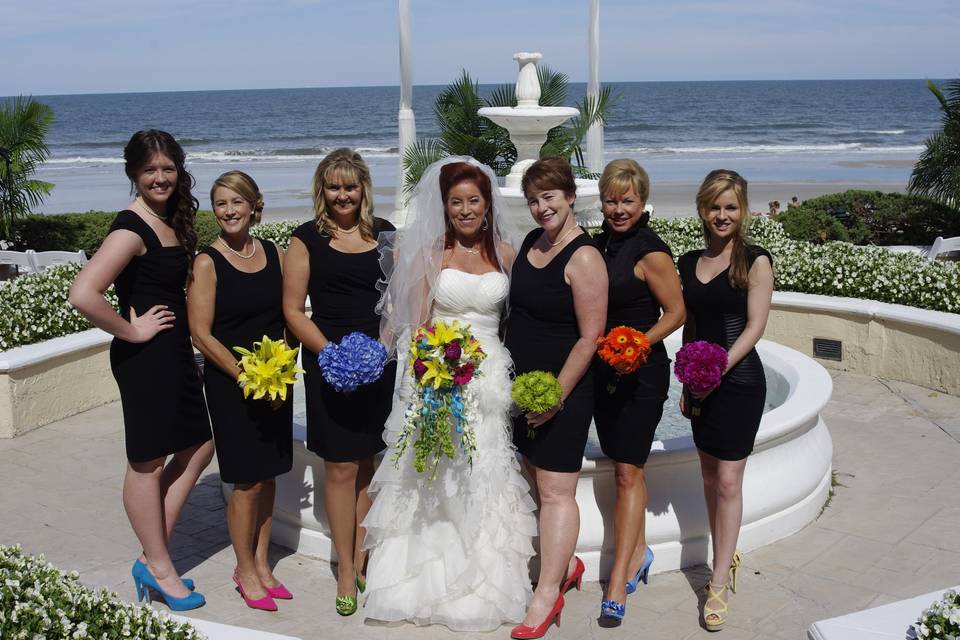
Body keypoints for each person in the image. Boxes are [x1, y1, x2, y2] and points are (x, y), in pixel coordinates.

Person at [362, 157, 536, 632]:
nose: (465, 210)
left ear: (487, 205)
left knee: (485, 470)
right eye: (456, 202)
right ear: (444, 206)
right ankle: (426, 584)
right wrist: (431, 374)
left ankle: (484, 582)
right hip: (438, 376)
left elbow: (519, 317)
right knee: (435, 475)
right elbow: (414, 328)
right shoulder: (427, 256)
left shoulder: (505, 252)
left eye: (473, 201)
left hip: (491, 380)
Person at [68, 129, 212, 611]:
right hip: (145, 358)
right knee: (147, 462)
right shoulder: (132, 227)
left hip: (170, 355)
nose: (160, 177)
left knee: (200, 444)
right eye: (150, 169)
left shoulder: (167, 218)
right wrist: (132, 332)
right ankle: (159, 565)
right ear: (133, 173)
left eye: (168, 168)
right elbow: (83, 293)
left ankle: (152, 557)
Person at [282, 148, 396, 616]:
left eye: (351, 186)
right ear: (322, 190)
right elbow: (292, 310)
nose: (343, 195)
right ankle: (344, 568)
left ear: (363, 188)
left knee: (370, 464)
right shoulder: (305, 240)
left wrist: (382, 349)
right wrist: (330, 353)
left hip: (379, 364)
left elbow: (400, 300)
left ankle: (364, 557)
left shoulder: (386, 233)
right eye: (334, 186)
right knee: (341, 468)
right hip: (329, 366)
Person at [504, 157, 608, 639]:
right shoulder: (531, 243)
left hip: (563, 390)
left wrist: (556, 397)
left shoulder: (584, 257)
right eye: (533, 199)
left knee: (555, 490)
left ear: (570, 196)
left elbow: (590, 338)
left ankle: (547, 594)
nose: (541, 207)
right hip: (521, 385)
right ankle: (564, 566)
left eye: (549, 196)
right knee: (530, 473)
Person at [187, 171, 293, 612]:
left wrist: (283, 368)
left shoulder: (274, 253)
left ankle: (263, 564)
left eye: (237, 202)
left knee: (269, 475)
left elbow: (287, 318)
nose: (229, 211)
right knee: (246, 481)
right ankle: (244, 569)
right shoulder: (207, 262)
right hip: (234, 385)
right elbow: (201, 334)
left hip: (275, 383)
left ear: (254, 205)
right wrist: (249, 377)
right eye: (221, 204)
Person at [676, 169, 774, 631]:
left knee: (729, 482)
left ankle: (718, 581)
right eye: (714, 206)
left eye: (730, 207)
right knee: (709, 473)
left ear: (743, 210)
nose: (722, 215)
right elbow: (691, 327)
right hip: (699, 385)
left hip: (738, 385)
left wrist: (717, 368)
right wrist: (688, 380)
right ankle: (722, 554)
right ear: (702, 209)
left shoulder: (754, 261)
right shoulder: (688, 261)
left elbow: (755, 327)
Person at [592, 159, 686, 624]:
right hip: (604, 373)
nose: (618, 208)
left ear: (642, 202)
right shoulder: (599, 244)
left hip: (642, 375)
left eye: (627, 200)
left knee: (628, 469)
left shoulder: (651, 251)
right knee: (626, 466)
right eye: (611, 199)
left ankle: (616, 584)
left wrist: (637, 343)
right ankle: (641, 549)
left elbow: (676, 312)